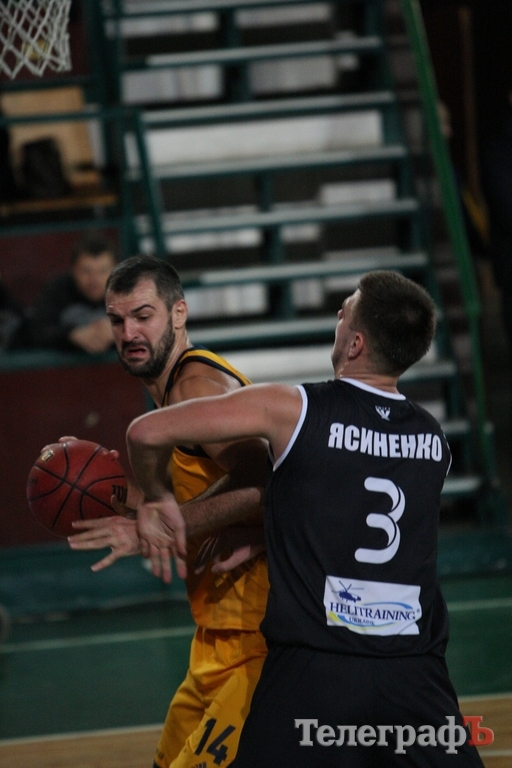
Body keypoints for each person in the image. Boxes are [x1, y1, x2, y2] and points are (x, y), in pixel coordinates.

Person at [125, 270, 485, 767]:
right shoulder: (433, 440)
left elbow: (144, 432)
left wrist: (158, 501)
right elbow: (356, 516)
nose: (338, 315)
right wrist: (268, 535)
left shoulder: (291, 409)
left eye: (345, 310)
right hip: (414, 673)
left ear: (355, 343)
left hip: (315, 671)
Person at [68, 254, 269, 768]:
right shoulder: (171, 393)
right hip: (215, 642)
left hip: (260, 641)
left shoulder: (195, 386)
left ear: (179, 313)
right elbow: (207, 494)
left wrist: (156, 530)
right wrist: (121, 494)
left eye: (143, 315)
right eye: (116, 321)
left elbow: (265, 481)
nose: (128, 333)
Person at [29, 233, 116, 353]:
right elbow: (36, 331)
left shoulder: (127, 291)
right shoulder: (57, 290)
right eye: (86, 271)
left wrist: (120, 329)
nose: (94, 280)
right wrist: (71, 335)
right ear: (73, 270)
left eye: (103, 271)